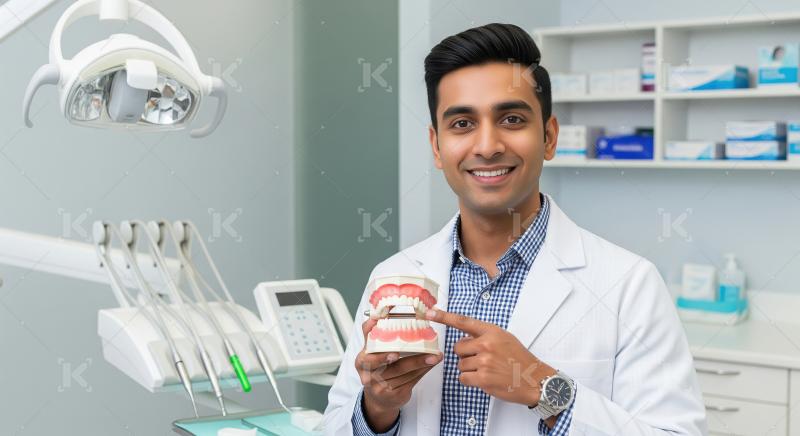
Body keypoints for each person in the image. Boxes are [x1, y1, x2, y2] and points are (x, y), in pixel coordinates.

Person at [324, 23, 707, 435]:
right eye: (462, 124)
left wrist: (543, 386)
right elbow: (333, 425)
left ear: (549, 136)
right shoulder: (394, 276)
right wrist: (377, 408)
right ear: (437, 147)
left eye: (510, 118)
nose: (487, 146)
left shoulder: (628, 285)